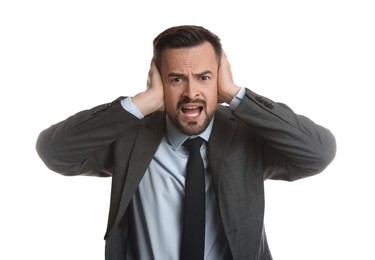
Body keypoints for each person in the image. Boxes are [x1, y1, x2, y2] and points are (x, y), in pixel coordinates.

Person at [36, 25, 336, 260]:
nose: (191, 92)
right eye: (176, 79)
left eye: (204, 77)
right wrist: (141, 103)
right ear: (158, 80)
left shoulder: (246, 136)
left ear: (219, 77)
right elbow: (55, 152)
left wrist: (235, 94)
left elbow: (318, 152)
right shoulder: (131, 136)